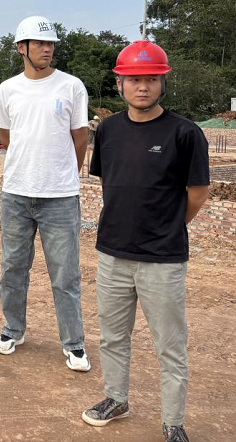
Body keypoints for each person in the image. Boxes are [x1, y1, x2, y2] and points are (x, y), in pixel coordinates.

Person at [81, 41, 209, 442]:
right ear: (119, 83)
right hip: (113, 253)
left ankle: (173, 423)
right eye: (134, 79)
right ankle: (116, 399)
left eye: (151, 79)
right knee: (113, 336)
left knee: (169, 345)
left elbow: (198, 193)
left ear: (162, 83)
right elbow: (111, 182)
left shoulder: (185, 133)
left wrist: (169, 225)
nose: (142, 87)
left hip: (163, 259)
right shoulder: (108, 130)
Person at [0, 15, 91, 371]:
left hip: (60, 197)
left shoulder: (71, 86)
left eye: (50, 44)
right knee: (13, 268)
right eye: (40, 43)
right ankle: (12, 330)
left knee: (65, 274)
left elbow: (80, 137)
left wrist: (64, 175)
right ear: (22, 47)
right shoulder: (8, 89)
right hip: (16, 194)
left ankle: (74, 343)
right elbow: (5, 137)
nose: (47, 49)